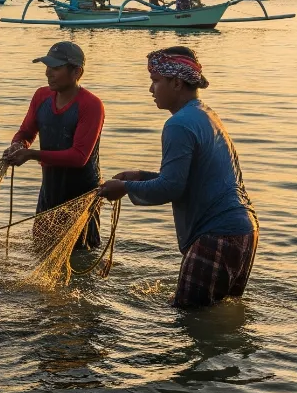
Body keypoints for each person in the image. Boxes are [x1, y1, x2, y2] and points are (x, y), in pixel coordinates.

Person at [99, 47, 258, 308]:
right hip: (244, 231)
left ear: (176, 83)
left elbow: (171, 187)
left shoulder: (178, 124)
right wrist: (138, 176)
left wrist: (125, 187)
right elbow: (188, 181)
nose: (151, 89)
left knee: (189, 317)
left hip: (216, 234)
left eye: (155, 81)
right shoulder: (205, 114)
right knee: (217, 316)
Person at [3, 40, 105, 248]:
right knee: (41, 248)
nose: (48, 73)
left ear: (77, 72)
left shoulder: (91, 105)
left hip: (81, 195)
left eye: (56, 68)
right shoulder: (42, 96)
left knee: (81, 253)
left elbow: (79, 157)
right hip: (49, 190)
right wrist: (18, 144)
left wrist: (32, 155)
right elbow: (26, 132)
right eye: (47, 67)